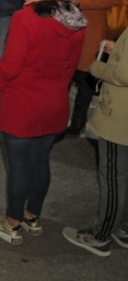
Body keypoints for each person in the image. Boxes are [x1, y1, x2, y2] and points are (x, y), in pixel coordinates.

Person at [0, 0, 86, 246]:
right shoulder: (76, 19)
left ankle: (11, 223)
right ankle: (32, 216)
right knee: (40, 162)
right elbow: (71, 67)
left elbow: (11, 64)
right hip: (54, 102)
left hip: (22, 102)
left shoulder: (25, 18)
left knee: (18, 167)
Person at [63, 29, 128, 256]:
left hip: (120, 119)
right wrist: (117, 49)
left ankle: (100, 235)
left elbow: (122, 74)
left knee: (112, 177)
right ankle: (123, 227)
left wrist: (97, 67)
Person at [63, 0, 123, 134]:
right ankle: (58, 119)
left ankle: (77, 123)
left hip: (92, 26)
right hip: (65, 25)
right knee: (63, 74)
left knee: (84, 77)